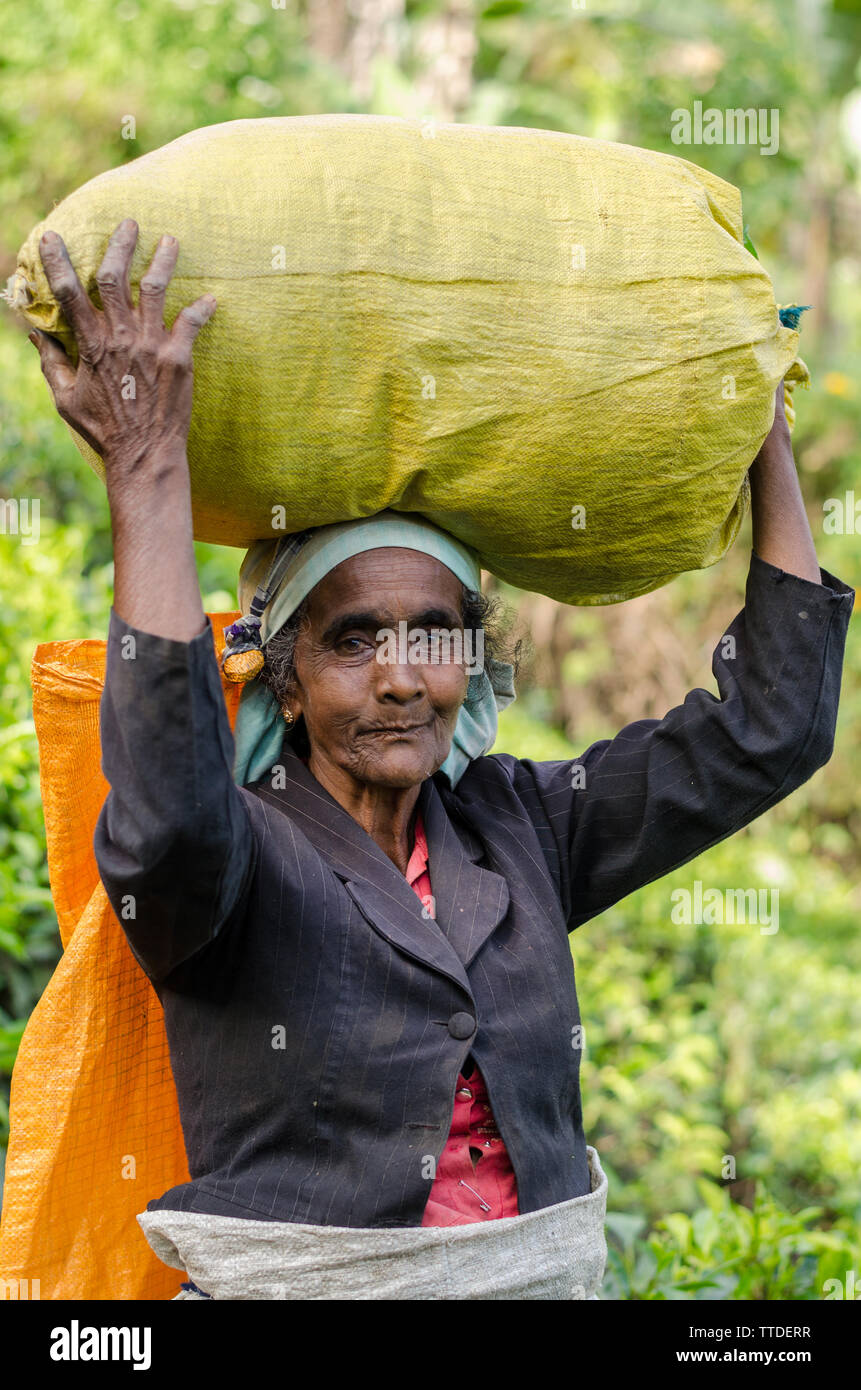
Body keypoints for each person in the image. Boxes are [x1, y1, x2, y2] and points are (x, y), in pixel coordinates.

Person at [29, 219, 854, 1300]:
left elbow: (768, 732)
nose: (404, 678)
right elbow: (170, 812)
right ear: (283, 675)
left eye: (434, 634)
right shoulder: (232, 859)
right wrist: (148, 470)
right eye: (354, 640)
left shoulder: (519, 826)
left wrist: (764, 429)